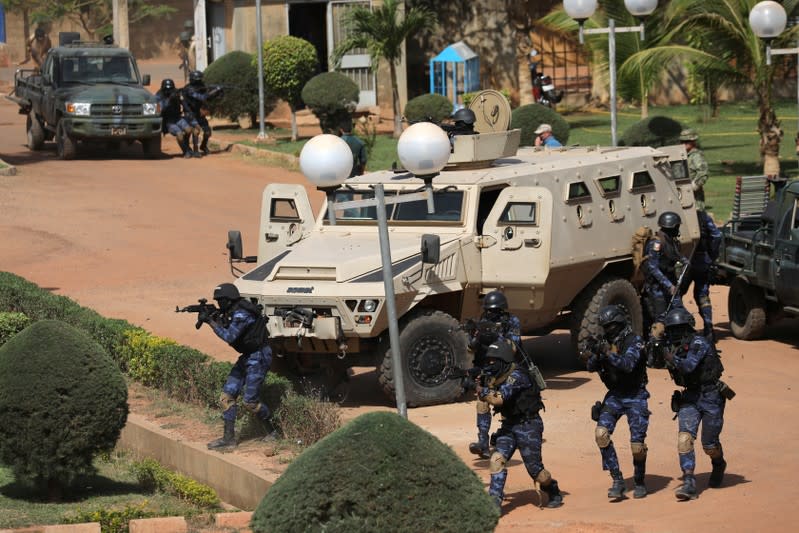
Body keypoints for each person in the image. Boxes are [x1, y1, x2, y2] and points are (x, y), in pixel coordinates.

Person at [478, 339, 564, 512]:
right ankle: (494, 501)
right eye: (488, 361)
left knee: (536, 471)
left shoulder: (517, 376)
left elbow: (498, 398)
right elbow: (486, 401)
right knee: (496, 460)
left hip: (528, 425)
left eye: (493, 361)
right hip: (509, 426)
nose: (489, 364)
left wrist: (483, 391)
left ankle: (552, 489)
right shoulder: (496, 377)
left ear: (503, 360)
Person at [660, 306, 732, 500]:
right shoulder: (672, 345)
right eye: (671, 329)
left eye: (678, 329)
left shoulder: (699, 342)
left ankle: (718, 463)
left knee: (709, 444)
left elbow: (689, 366)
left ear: (687, 328)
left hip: (710, 396)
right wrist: (655, 342)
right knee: (684, 439)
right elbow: (652, 361)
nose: (674, 333)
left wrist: (670, 357)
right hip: (690, 397)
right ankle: (689, 481)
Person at [582, 305, 650, 500]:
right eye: (605, 326)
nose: (608, 330)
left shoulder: (634, 341)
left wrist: (608, 352)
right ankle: (617, 479)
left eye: (611, 326)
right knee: (601, 434)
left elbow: (628, 365)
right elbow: (590, 367)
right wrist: (594, 352)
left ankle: (639, 480)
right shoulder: (606, 342)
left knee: (637, 445)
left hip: (635, 394)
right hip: (615, 395)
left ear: (619, 323)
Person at [199, 283, 275, 451]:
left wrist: (210, 321)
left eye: (220, 301)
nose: (219, 304)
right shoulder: (232, 312)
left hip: (258, 357)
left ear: (228, 300)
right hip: (247, 356)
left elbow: (230, 336)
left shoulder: (242, 314)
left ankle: (273, 431)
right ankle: (229, 439)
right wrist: (215, 317)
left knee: (250, 402)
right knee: (227, 396)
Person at [466, 290, 521, 459]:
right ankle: (483, 442)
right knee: (482, 402)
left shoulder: (512, 321)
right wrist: (476, 337)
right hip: (488, 369)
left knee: (506, 405)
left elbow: (514, 345)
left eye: (494, 310)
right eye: (488, 310)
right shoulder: (483, 322)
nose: (490, 313)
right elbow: (471, 348)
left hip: (506, 369)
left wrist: (495, 336)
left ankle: (510, 437)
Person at [641, 211, 688, 339]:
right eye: (677, 226)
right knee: (661, 320)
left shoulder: (670, 240)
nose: (678, 229)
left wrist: (685, 261)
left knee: (680, 312)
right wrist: (668, 285)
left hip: (670, 285)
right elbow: (653, 267)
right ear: (671, 227)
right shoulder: (656, 243)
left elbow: (676, 254)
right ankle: (655, 348)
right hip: (658, 288)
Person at [680, 210, 722, 339]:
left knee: (676, 295)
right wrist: (711, 255)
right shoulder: (703, 216)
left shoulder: (677, 214)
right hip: (702, 261)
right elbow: (717, 235)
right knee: (703, 296)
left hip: (683, 263)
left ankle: (683, 325)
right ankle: (709, 329)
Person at [182, 70, 222, 156]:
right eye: (198, 80)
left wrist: (217, 93)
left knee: (207, 131)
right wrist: (214, 91)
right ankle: (195, 150)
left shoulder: (201, 87)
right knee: (196, 130)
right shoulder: (188, 89)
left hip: (198, 112)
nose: (200, 81)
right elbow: (201, 98)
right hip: (190, 113)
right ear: (193, 80)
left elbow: (208, 98)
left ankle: (203, 146)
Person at [156, 78, 196, 158]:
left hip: (178, 117)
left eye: (170, 88)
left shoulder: (176, 93)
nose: (169, 90)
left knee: (189, 130)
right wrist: (169, 100)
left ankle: (187, 145)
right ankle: (185, 151)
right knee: (180, 135)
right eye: (167, 89)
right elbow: (160, 110)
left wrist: (189, 112)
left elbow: (183, 102)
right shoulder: (159, 95)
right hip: (168, 121)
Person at [680, 129, 709, 211]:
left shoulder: (696, 156)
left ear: (693, 142)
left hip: (694, 198)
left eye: (687, 141)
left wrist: (694, 185)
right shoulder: (682, 155)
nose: (684, 144)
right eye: (682, 141)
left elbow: (703, 173)